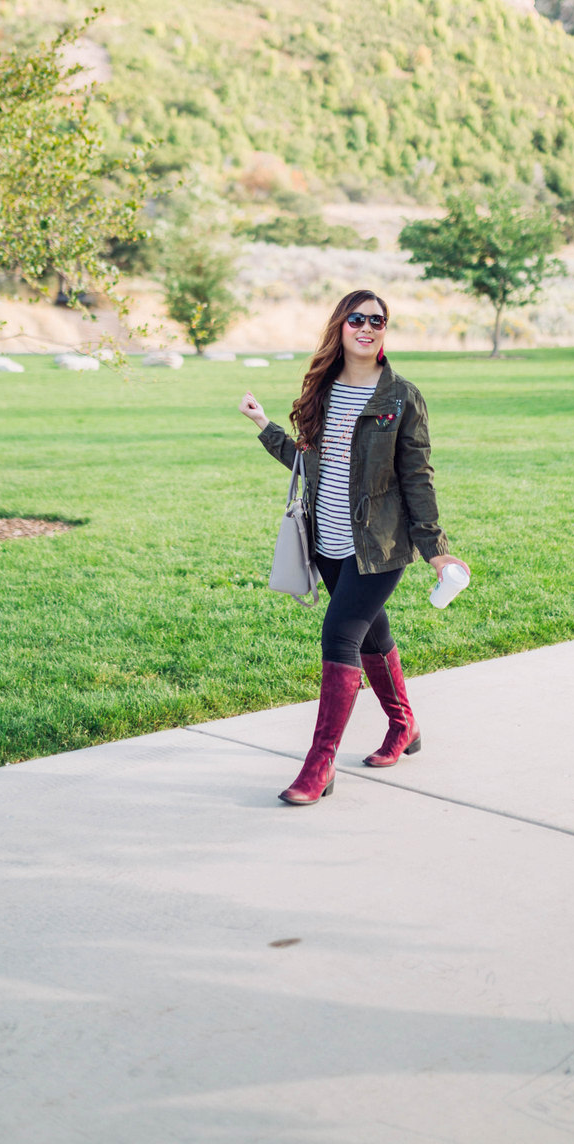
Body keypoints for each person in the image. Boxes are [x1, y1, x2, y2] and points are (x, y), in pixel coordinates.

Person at [239, 289, 466, 806]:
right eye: (357, 319)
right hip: (328, 543)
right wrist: (263, 425)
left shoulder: (401, 397)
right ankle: (404, 727)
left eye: (378, 321)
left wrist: (435, 550)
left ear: (385, 331)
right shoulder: (321, 390)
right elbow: (308, 462)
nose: (367, 327)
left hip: (380, 547)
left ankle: (320, 765)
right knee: (371, 636)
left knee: (340, 634)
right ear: (340, 326)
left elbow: (417, 477)